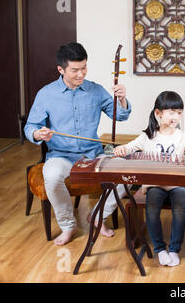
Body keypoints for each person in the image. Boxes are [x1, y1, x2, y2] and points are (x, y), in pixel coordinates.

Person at [24, 42, 132, 246]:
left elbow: (121, 116)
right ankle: (68, 225)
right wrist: (38, 133)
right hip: (61, 155)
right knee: (52, 177)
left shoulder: (96, 91)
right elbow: (30, 126)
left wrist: (123, 100)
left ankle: (98, 216)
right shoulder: (46, 94)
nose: (81, 74)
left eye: (84, 68)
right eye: (75, 70)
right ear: (61, 69)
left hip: (93, 154)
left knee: (127, 176)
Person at [113, 91, 185, 267]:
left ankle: (174, 249)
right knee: (151, 208)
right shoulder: (147, 136)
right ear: (158, 113)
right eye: (171, 112)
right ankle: (160, 249)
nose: (175, 116)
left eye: (179, 112)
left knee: (179, 208)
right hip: (154, 183)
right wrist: (121, 149)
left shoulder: (183, 136)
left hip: (177, 182)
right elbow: (128, 148)